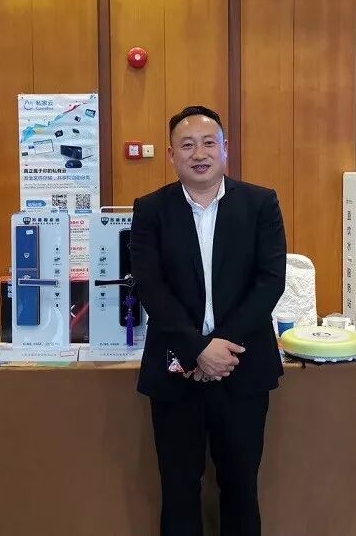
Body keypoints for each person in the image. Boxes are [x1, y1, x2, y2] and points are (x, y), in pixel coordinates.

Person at [130, 105, 287, 536]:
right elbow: (150, 286)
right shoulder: (151, 210)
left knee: (241, 486)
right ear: (171, 154)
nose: (198, 154)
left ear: (224, 148)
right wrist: (197, 349)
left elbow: (270, 281)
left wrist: (221, 347)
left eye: (208, 143)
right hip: (175, 369)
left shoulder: (260, 203)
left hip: (243, 366)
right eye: (187, 145)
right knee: (178, 489)